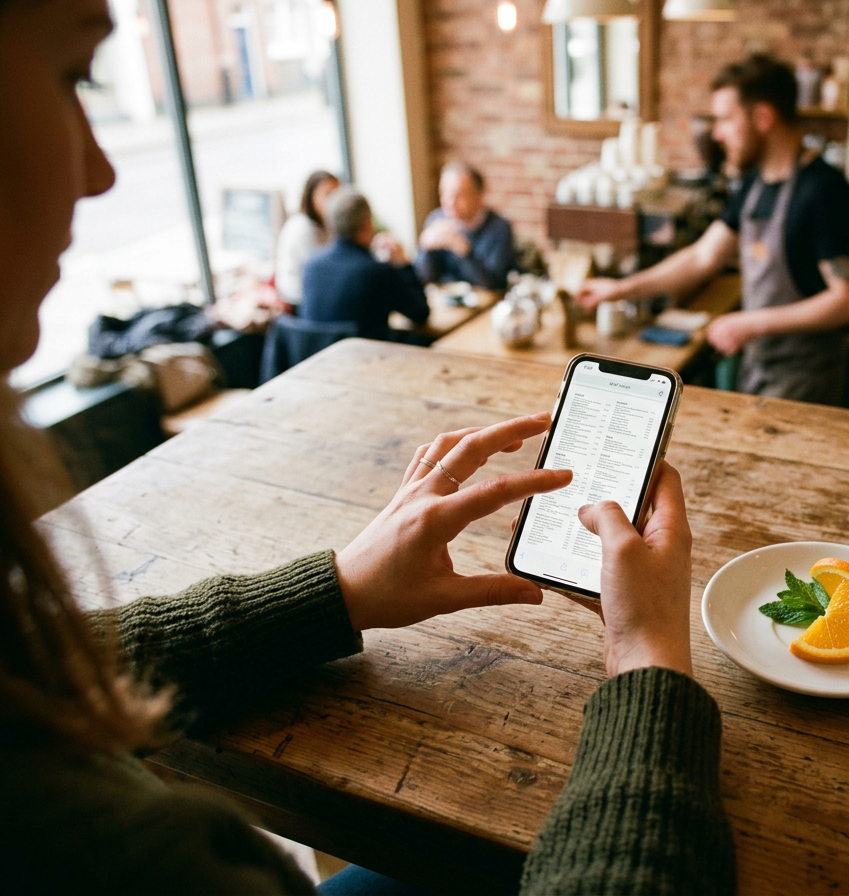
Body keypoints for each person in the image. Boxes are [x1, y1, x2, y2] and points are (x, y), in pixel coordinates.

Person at [0, 2, 736, 893]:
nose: (103, 168)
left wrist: (338, 590)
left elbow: (30, 672)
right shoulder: (98, 850)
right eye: (75, 75)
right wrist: (650, 661)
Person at [576, 54, 849, 406]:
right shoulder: (755, 185)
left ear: (763, 116)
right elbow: (703, 256)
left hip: (808, 375)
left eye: (726, 119)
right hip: (760, 363)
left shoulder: (824, 191)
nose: (717, 133)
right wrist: (620, 289)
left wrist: (752, 323)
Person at [300, 186, 430, 341]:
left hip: (323, 361)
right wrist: (403, 264)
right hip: (366, 361)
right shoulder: (375, 272)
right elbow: (421, 313)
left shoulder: (310, 266)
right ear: (367, 223)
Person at [415, 162, 516, 291]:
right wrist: (425, 248)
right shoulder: (436, 219)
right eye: (444, 194)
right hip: (447, 303)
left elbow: (494, 284)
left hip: (486, 304)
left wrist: (464, 252)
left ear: (479, 196)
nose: (449, 202)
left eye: (458, 195)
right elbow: (424, 278)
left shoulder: (499, 228)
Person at [275, 169, 341, 307]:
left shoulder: (323, 223)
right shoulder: (303, 228)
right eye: (328, 195)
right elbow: (322, 273)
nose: (334, 202)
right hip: (298, 299)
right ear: (311, 197)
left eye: (337, 195)